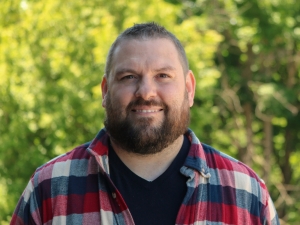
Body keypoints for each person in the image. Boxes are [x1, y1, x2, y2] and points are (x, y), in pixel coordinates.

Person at [11, 22, 279, 225]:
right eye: (129, 77)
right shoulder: (49, 188)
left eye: (163, 75)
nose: (146, 92)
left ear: (190, 88)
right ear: (105, 90)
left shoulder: (246, 192)